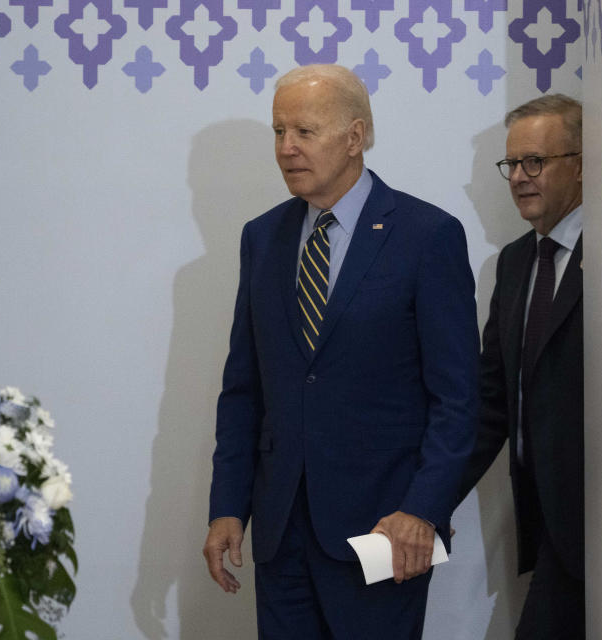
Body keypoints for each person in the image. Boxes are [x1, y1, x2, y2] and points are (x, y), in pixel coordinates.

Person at [202, 64, 479, 638]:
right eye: (278, 132)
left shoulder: (427, 236)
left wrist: (423, 509)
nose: (286, 148)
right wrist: (228, 505)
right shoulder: (262, 237)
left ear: (354, 138)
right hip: (281, 535)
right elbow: (244, 388)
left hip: (384, 534)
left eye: (304, 131)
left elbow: (458, 397)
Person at [457, 94, 585, 639]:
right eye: (512, 164)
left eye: (536, 161)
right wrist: (423, 498)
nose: (519, 178)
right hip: (545, 525)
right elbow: (492, 403)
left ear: (582, 164)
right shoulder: (513, 263)